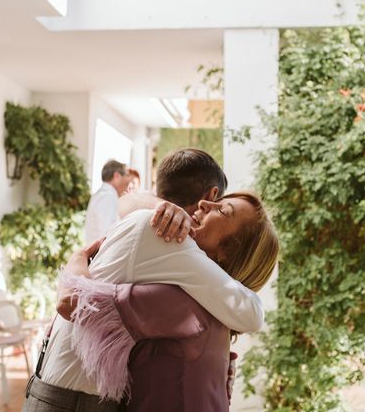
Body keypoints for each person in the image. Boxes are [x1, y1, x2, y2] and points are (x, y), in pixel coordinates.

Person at [23, 149, 267, 411]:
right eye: (219, 203)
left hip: (58, 391)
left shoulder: (162, 242)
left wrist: (75, 261)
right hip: (71, 401)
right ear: (211, 194)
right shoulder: (167, 238)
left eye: (223, 211)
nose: (209, 207)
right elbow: (252, 314)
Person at [60, 192, 279, 411]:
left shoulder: (181, 301)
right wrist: (162, 206)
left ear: (227, 252)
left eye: (222, 210)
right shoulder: (217, 312)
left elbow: (73, 304)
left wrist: (76, 262)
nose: (204, 203)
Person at [84, 160, 131, 243]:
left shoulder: (104, 195)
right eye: (126, 175)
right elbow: (108, 234)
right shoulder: (107, 197)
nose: (128, 180)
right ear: (117, 176)